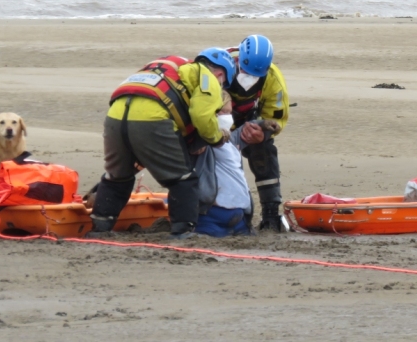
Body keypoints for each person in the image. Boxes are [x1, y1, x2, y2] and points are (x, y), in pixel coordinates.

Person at [87, 47, 236, 239]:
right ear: (220, 74)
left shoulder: (170, 65)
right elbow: (201, 116)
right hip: (153, 119)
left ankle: (100, 228)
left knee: (117, 178)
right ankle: (183, 233)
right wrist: (216, 137)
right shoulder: (209, 78)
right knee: (182, 179)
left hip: (115, 116)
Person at [194, 91, 281, 237]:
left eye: (229, 112)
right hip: (210, 218)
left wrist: (264, 125)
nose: (227, 117)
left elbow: (246, 129)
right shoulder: (201, 142)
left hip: (240, 219)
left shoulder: (230, 140)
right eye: (222, 112)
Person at [225, 35, 289, 232]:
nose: (249, 75)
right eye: (245, 70)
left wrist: (263, 134)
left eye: (256, 74)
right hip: (215, 121)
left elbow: (277, 117)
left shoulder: (272, 79)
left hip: (251, 122)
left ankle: (270, 215)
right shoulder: (219, 66)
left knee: (264, 150)